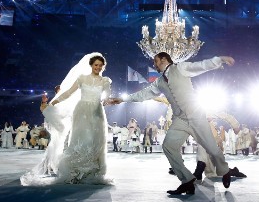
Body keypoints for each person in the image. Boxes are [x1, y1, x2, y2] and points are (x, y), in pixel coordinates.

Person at [108, 52, 239, 195]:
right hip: (180, 119)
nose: (154, 64)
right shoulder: (159, 82)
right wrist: (122, 99)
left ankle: (225, 171)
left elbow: (201, 65)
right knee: (168, 146)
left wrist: (220, 60)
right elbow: (144, 94)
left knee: (212, 148)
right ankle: (187, 181)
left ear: (163, 59)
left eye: (155, 61)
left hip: (196, 115)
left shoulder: (180, 68)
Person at [21, 52, 113, 185]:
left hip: (97, 112)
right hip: (81, 111)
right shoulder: (82, 78)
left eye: (100, 65)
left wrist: (106, 100)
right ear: (91, 65)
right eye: (95, 65)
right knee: (81, 139)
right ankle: (76, 171)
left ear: (103, 67)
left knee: (96, 140)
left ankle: (93, 172)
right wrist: (55, 101)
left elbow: (107, 95)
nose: (98, 67)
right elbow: (69, 92)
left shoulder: (105, 81)